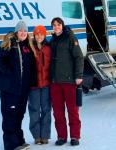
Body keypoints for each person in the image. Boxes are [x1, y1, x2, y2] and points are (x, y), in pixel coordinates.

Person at [0, 21, 36, 150]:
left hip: (22, 88)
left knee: (19, 114)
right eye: (20, 30)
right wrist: (8, 74)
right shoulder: (10, 43)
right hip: (9, 88)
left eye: (25, 30)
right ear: (16, 32)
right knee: (10, 115)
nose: (23, 33)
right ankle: (11, 145)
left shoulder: (27, 46)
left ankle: (19, 140)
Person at [50, 17, 84, 146]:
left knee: (72, 110)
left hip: (69, 81)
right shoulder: (52, 41)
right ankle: (61, 136)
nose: (56, 27)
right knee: (58, 112)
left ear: (62, 26)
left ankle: (75, 136)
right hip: (55, 82)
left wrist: (79, 75)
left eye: (58, 25)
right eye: (54, 25)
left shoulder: (70, 38)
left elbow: (79, 57)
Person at [28, 25, 51, 145]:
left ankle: (45, 135)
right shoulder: (29, 47)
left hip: (47, 84)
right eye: (37, 34)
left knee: (46, 110)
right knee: (34, 110)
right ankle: (37, 136)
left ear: (44, 35)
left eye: (41, 34)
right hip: (34, 86)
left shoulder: (49, 47)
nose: (39, 36)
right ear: (34, 35)